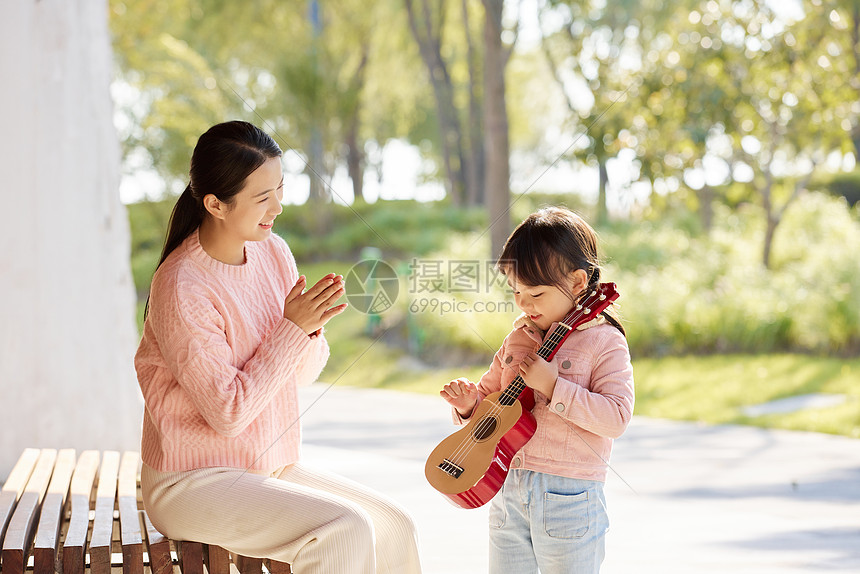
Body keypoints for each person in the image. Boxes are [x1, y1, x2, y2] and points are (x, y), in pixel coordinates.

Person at [135, 120, 422, 574]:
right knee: (342, 529)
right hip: (191, 481)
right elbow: (228, 414)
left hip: (264, 465)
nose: (278, 207)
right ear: (215, 204)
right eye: (262, 197)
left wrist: (307, 330)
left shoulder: (273, 253)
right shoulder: (182, 285)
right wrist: (291, 328)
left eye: (280, 190)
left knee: (393, 525)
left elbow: (302, 374)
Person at [439, 207, 634, 574]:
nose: (524, 303)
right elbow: (492, 403)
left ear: (578, 283)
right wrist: (468, 406)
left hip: (569, 497)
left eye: (536, 292)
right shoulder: (518, 339)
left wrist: (553, 386)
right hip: (507, 490)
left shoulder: (604, 342)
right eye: (515, 291)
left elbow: (616, 417)